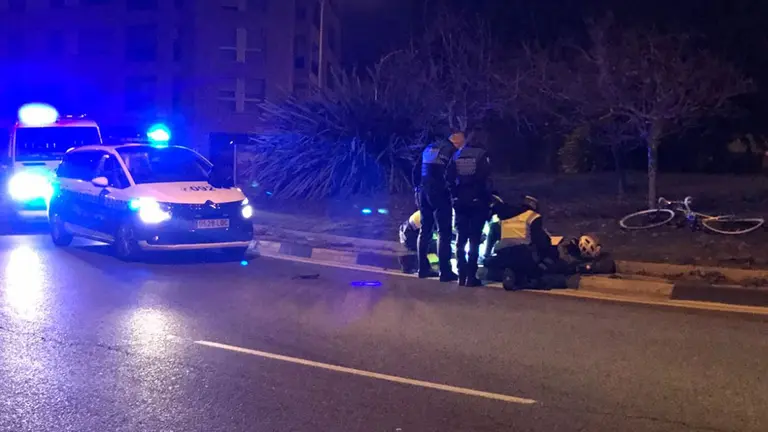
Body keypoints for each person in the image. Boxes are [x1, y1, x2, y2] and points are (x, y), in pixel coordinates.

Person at [411, 132, 463, 281]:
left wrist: (417, 189)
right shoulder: (452, 151)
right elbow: (452, 174)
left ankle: (422, 269)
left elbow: (416, 170)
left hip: (423, 191)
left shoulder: (429, 148)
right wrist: (454, 192)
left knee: (425, 230)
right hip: (440, 193)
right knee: (444, 232)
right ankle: (445, 271)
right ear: (457, 142)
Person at [446, 133, 492, 286]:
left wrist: (455, 196)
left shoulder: (456, 155)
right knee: (474, 239)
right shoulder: (482, 155)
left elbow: (449, 178)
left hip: (460, 201)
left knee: (461, 238)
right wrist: (485, 198)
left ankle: (461, 275)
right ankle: (471, 276)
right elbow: (485, 179)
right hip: (477, 202)